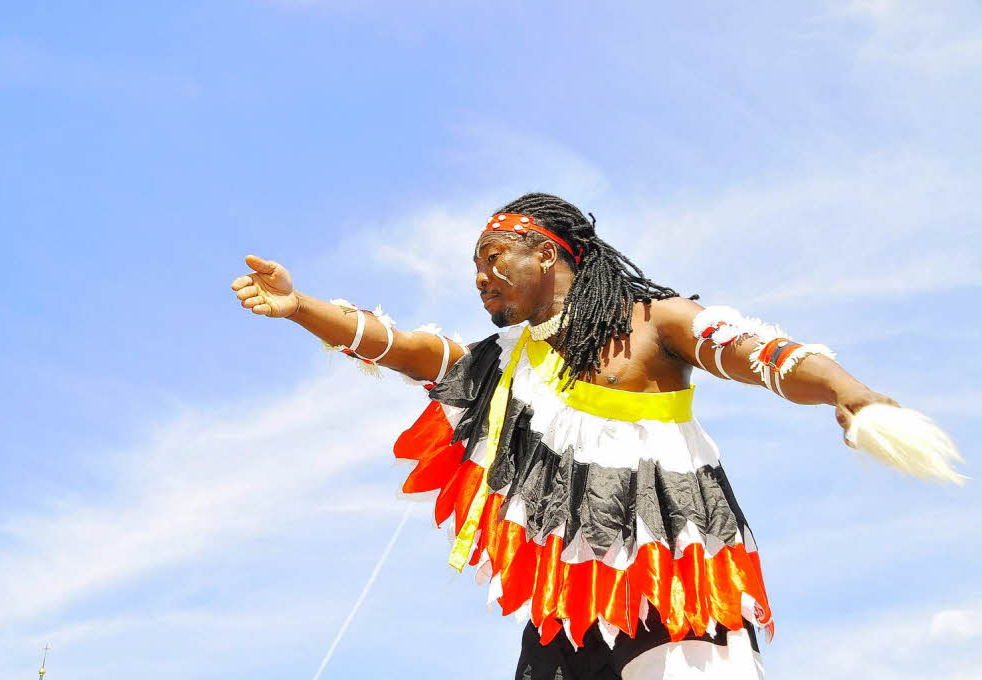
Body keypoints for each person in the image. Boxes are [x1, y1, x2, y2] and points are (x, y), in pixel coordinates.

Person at [230, 192, 898, 679]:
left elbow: (761, 352)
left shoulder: (652, 325)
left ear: (545, 254)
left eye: (492, 259)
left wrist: (849, 392)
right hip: (567, 621)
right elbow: (401, 347)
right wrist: (299, 308)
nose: (479, 278)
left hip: (677, 607)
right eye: (474, 266)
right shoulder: (506, 364)